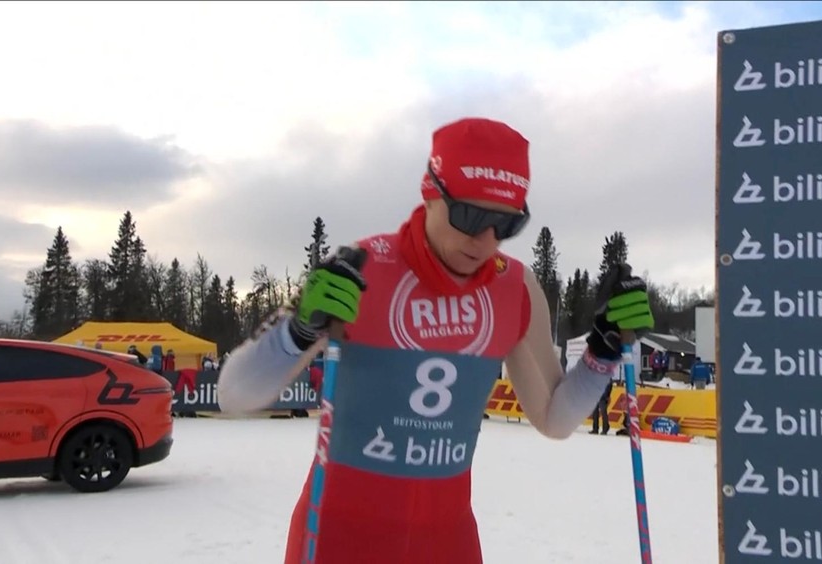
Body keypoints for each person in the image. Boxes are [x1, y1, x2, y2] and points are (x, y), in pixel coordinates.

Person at [217, 117, 655, 564]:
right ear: (431, 192)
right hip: (339, 539)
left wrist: (603, 350)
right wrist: (300, 328)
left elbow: (554, 419)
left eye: (505, 225)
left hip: (447, 543)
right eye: (471, 216)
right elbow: (234, 393)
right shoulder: (359, 269)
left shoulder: (516, 289)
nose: (485, 241)